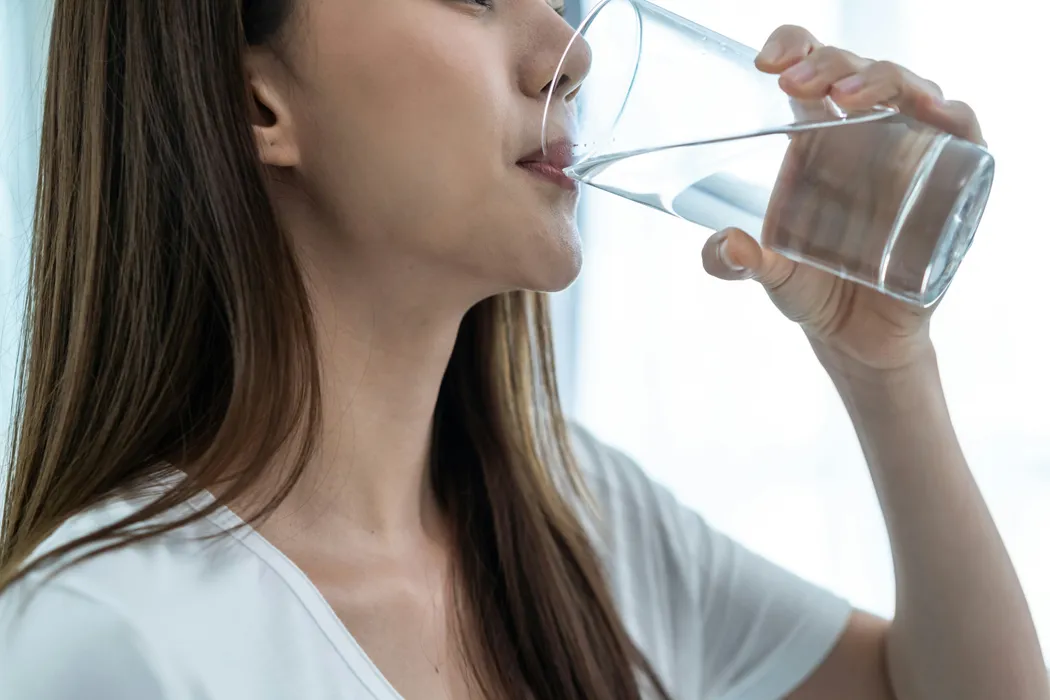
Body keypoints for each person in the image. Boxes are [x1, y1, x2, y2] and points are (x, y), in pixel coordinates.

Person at [0, 0, 1044, 698]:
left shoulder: (585, 524)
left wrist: (884, 368)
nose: (572, 52)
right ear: (257, 103)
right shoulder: (109, 640)